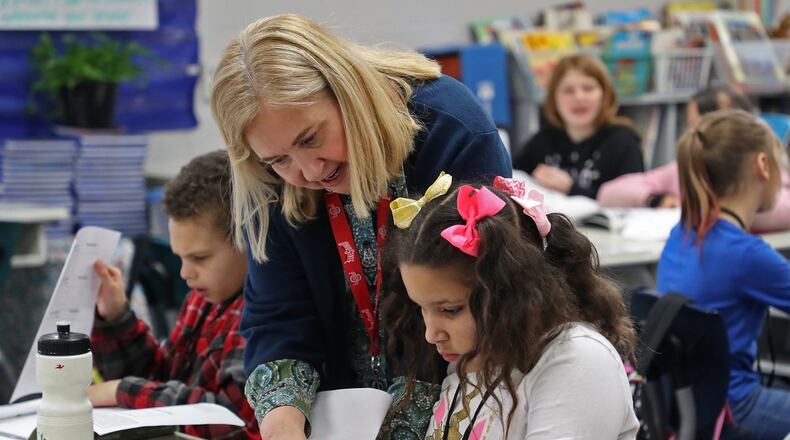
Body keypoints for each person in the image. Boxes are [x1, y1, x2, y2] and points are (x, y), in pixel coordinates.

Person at [210, 14, 511, 439]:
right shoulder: (270, 180)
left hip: (460, 403)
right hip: (343, 417)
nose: (308, 171)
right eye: (278, 160)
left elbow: (482, 304)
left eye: (311, 138)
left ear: (345, 91)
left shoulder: (448, 128)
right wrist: (282, 423)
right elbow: (279, 316)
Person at [383, 174, 639, 439]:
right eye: (421, 309)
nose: (431, 333)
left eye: (450, 310)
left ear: (508, 291)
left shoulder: (577, 359)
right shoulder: (477, 355)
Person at [88, 151, 259, 439]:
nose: (185, 273)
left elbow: (230, 415)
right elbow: (162, 380)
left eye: (200, 258)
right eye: (180, 257)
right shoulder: (202, 298)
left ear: (248, 240)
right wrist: (117, 318)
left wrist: (120, 390)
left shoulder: (261, 312)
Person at [656, 110, 790, 439]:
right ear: (763, 165)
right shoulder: (746, 255)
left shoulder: (683, 232)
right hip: (735, 407)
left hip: (689, 406)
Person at [598, 86, 790, 232]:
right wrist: (654, 199)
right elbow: (608, 192)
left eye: (718, 126)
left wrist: (720, 207)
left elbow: (783, 208)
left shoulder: (766, 171)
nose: (702, 137)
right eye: (694, 128)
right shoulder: (682, 168)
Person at [512, 53, 643, 198]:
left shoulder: (623, 142)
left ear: (605, 94)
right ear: (554, 99)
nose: (579, 97)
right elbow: (512, 180)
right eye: (568, 91)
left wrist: (571, 188)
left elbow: (635, 200)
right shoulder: (542, 141)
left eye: (588, 88)